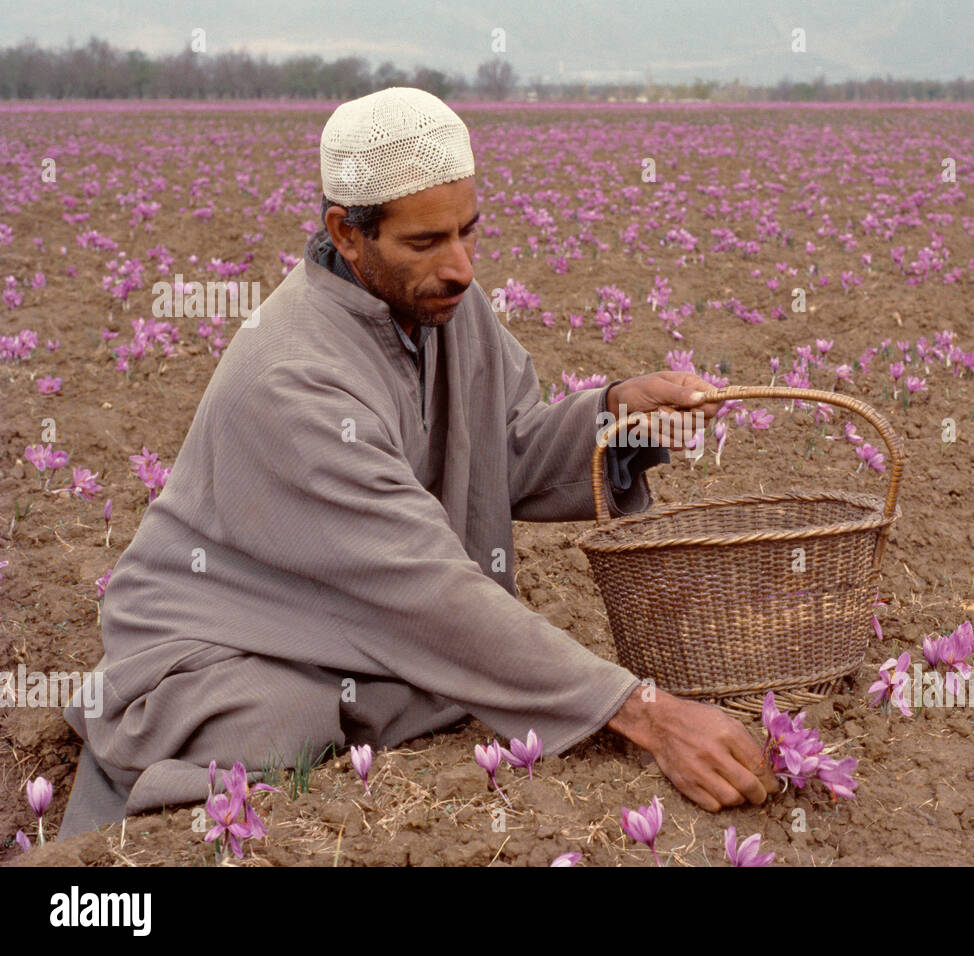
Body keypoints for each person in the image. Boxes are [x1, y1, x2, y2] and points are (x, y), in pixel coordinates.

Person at [58, 87, 776, 840]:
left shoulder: (444, 303)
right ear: (347, 232)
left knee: (415, 686)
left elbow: (508, 450)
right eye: (426, 241)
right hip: (219, 637)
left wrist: (618, 417)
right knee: (289, 717)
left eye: (469, 232)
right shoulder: (295, 378)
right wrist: (645, 713)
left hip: (345, 610)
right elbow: (427, 588)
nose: (461, 267)